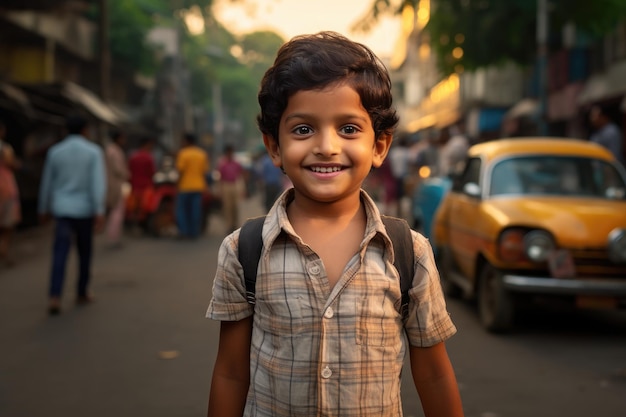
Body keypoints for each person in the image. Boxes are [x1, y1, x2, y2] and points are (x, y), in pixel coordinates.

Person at [206, 31, 463, 417]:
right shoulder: (244, 250)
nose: (326, 146)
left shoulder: (408, 253)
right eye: (303, 129)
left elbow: (433, 375)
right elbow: (230, 372)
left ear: (379, 146)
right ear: (274, 146)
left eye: (348, 129)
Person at [38, 114, 106, 315]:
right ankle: (81, 292)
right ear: (85, 130)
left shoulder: (55, 152)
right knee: (84, 252)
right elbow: (97, 183)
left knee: (60, 252)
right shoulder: (93, 152)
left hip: (62, 209)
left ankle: (54, 296)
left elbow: (47, 182)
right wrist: (99, 210)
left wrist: (43, 208)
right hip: (84, 210)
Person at [175, 132, 209, 238]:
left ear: (186, 141)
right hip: (198, 186)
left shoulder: (183, 153)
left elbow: (180, 170)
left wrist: (177, 183)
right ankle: (194, 231)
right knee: (195, 210)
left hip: (185, 186)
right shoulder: (202, 154)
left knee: (182, 211)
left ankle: (184, 231)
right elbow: (205, 171)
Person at [0, 120, 21, 267]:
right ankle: (4, 252)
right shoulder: (5, 148)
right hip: (5, 187)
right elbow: (11, 163)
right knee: (7, 224)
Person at [104, 129, 129, 247]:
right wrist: (127, 174)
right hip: (116, 185)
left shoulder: (110, 150)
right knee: (117, 212)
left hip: (112, 184)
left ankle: (113, 237)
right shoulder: (114, 151)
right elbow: (119, 170)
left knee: (114, 211)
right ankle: (113, 238)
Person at [127, 136, 156, 230]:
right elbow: (152, 172)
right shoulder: (149, 157)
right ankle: (141, 225)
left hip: (134, 186)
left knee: (134, 207)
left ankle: (134, 225)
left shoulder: (133, 157)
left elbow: (129, 170)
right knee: (145, 208)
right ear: (147, 145)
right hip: (146, 186)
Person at [216, 144, 244, 234]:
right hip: (226, 185)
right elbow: (220, 177)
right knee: (227, 207)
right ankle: (229, 225)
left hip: (234, 185)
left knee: (235, 206)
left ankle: (235, 225)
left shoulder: (236, 163)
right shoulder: (222, 164)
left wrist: (243, 189)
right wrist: (219, 190)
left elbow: (241, 174)